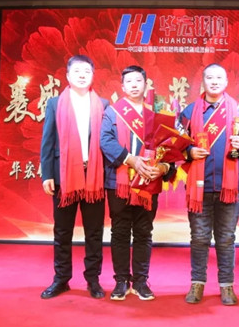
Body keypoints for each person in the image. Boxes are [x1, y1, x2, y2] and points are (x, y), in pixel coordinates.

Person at [180, 63, 239, 306]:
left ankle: (226, 286)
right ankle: (197, 283)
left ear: (226, 81)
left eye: (219, 77)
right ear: (203, 81)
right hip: (199, 187)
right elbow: (176, 143)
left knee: (226, 239)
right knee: (199, 238)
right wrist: (189, 151)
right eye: (209, 77)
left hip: (229, 188)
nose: (214, 81)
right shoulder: (189, 111)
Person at [100, 65, 175, 301]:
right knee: (120, 232)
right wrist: (130, 159)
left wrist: (163, 167)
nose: (134, 85)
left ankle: (141, 281)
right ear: (123, 87)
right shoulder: (112, 112)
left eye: (138, 81)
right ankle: (121, 280)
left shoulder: (157, 112)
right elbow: (105, 140)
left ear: (145, 84)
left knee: (144, 232)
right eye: (129, 82)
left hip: (148, 181)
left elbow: (170, 145)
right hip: (118, 182)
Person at [39, 55, 109, 300]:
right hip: (63, 177)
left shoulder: (102, 104)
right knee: (62, 232)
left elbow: (107, 142)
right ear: (67, 76)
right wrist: (47, 173)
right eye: (77, 71)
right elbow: (48, 140)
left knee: (94, 232)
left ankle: (93, 280)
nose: (82, 75)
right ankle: (61, 279)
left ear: (92, 76)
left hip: (94, 178)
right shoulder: (55, 103)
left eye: (87, 71)